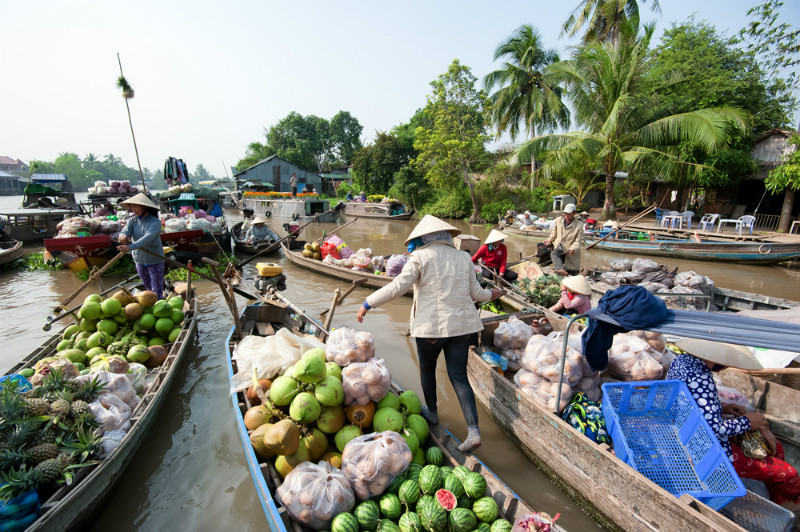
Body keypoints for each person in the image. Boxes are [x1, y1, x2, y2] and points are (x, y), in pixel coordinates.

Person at [356, 215, 502, 452]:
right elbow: (477, 293)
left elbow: (397, 287)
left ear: (425, 238)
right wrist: (492, 295)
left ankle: (432, 413)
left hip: (431, 330)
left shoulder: (419, 257)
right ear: (447, 237)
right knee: (459, 377)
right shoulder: (464, 257)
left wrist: (367, 303)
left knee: (427, 370)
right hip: (462, 329)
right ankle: (473, 431)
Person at [667, 338, 800, 505]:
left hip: (688, 432)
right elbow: (714, 429)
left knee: (776, 447)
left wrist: (722, 406)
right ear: (711, 357)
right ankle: (787, 505)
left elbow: (691, 401)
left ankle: (774, 494)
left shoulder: (683, 361)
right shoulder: (700, 377)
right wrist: (748, 422)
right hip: (707, 452)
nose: (726, 366)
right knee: (789, 473)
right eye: (724, 361)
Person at [115, 193, 166, 299]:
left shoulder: (156, 222)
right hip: (139, 259)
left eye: (136, 206)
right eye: (131, 207)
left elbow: (148, 237)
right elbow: (125, 231)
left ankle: (159, 303)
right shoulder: (132, 221)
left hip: (154, 259)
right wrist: (122, 236)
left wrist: (130, 247)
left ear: (144, 207)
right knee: (147, 288)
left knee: (156, 290)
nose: (133, 209)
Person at [543, 204, 583, 276]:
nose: (566, 214)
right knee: (554, 253)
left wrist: (573, 248)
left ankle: (565, 272)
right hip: (559, 245)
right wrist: (549, 240)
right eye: (565, 213)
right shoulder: (558, 220)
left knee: (572, 269)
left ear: (574, 213)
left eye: (568, 213)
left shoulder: (579, 225)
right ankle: (560, 270)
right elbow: (554, 232)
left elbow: (578, 241)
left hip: (569, 247)